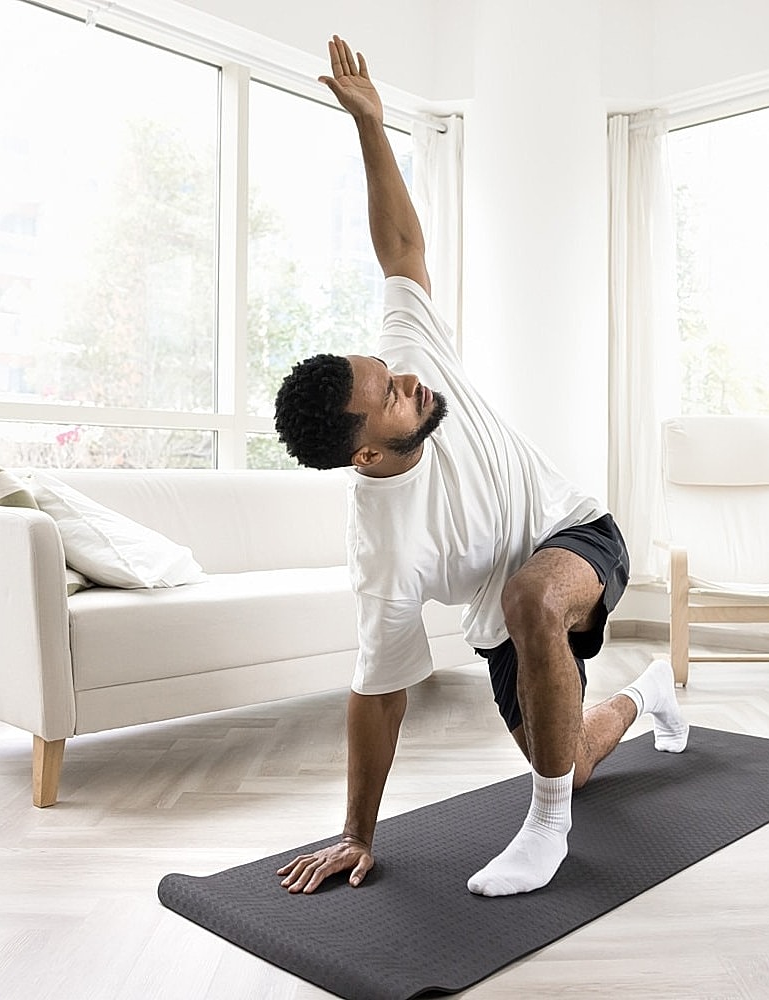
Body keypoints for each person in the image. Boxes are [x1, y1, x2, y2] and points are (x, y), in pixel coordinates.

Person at [273, 35, 689, 899]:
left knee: (530, 595)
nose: (407, 381)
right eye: (387, 396)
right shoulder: (383, 552)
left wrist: (373, 128)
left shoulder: (409, 357)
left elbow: (400, 247)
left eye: (389, 371)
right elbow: (377, 693)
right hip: (508, 626)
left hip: (574, 533)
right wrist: (356, 833)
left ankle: (545, 832)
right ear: (365, 453)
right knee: (569, 764)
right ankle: (647, 698)